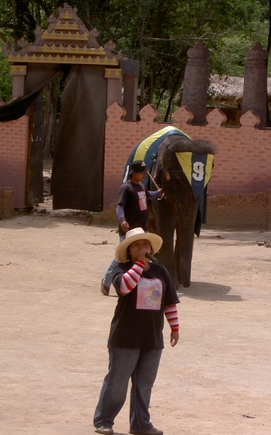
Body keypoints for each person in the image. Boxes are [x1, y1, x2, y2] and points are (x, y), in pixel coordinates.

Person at [93, 227, 180, 435]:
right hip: (125, 336)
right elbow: (125, 287)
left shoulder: (161, 272)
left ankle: (141, 424)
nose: (142, 248)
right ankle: (104, 420)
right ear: (129, 251)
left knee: (144, 384)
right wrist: (139, 264)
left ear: (151, 248)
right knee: (117, 382)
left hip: (152, 338)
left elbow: (169, 303)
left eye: (145, 244)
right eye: (137, 245)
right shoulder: (121, 269)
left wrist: (174, 327)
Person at [101, 160, 162, 295]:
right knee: (122, 258)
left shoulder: (140, 186)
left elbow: (147, 195)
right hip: (129, 231)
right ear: (133, 173)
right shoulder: (126, 188)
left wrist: (157, 193)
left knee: (143, 255)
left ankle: (138, 282)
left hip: (141, 229)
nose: (144, 175)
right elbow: (119, 206)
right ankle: (106, 281)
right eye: (141, 172)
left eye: (145, 172)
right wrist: (122, 220)